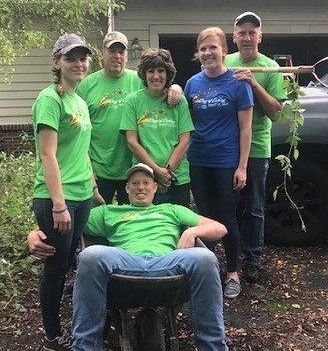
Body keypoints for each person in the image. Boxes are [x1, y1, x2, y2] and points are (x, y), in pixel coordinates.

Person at [29, 163, 243, 351]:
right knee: (90, 255)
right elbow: (65, 227)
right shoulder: (108, 212)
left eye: (146, 183)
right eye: (135, 183)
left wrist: (193, 231)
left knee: (205, 258)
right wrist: (35, 233)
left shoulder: (172, 210)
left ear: (155, 188)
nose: (141, 187)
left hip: (169, 263)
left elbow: (220, 228)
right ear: (126, 188)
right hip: (124, 265)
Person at [31, 33, 100, 351]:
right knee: (57, 267)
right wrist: (59, 205)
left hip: (82, 194)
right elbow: (48, 155)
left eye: (83, 57)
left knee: (70, 261)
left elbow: (81, 151)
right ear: (57, 62)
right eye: (72, 58)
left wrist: (94, 189)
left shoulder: (79, 101)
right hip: (58, 199)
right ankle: (53, 336)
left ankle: (71, 325)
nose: (79, 63)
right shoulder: (50, 99)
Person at [184, 27, 253, 299]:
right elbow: (184, 122)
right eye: (203, 49)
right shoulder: (193, 84)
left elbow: (245, 129)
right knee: (204, 218)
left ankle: (233, 273)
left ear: (224, 50)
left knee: (226, 218)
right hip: (199, 160)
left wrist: (242, 166)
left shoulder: (238, 83)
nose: (208, 53)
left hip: (226, 161)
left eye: (213, 47)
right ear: (198, 54)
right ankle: (209, 271)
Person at [77, 32, 183, 205]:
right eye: (112, 51)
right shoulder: (86, 86)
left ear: (126, 55)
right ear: (102, 53)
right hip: (100, 169)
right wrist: (88, 168)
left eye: (121, 52)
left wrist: (176, 87)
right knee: (96, 223)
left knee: (131, 223)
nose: (116, 56)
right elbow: (79, 131)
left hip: (135, 169)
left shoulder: (138, 80)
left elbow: (161, 86)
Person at [226, 11, 287, 284]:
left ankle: (252, 258)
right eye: (242, 32)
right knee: (228, 205)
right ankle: (228, 257)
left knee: (254, 207)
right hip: (226, 147)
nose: (247, 37)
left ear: (260, 36)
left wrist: (252, 82)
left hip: (257, 148)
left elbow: (275, 112)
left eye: (253, 32)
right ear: (234, 37)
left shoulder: (270, 67)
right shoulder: (224, 62)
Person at [120, 48, 194, 207]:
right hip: (145, 179)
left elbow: (185, 140)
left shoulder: (179, 101)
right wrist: (155, 172)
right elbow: (132, 142)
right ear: (144, 74)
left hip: (177, 177)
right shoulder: (132, 101)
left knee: (179, 227)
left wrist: (167, 172)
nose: (156, 76)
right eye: (151, 71)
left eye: (161, 71)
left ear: (168, 73)